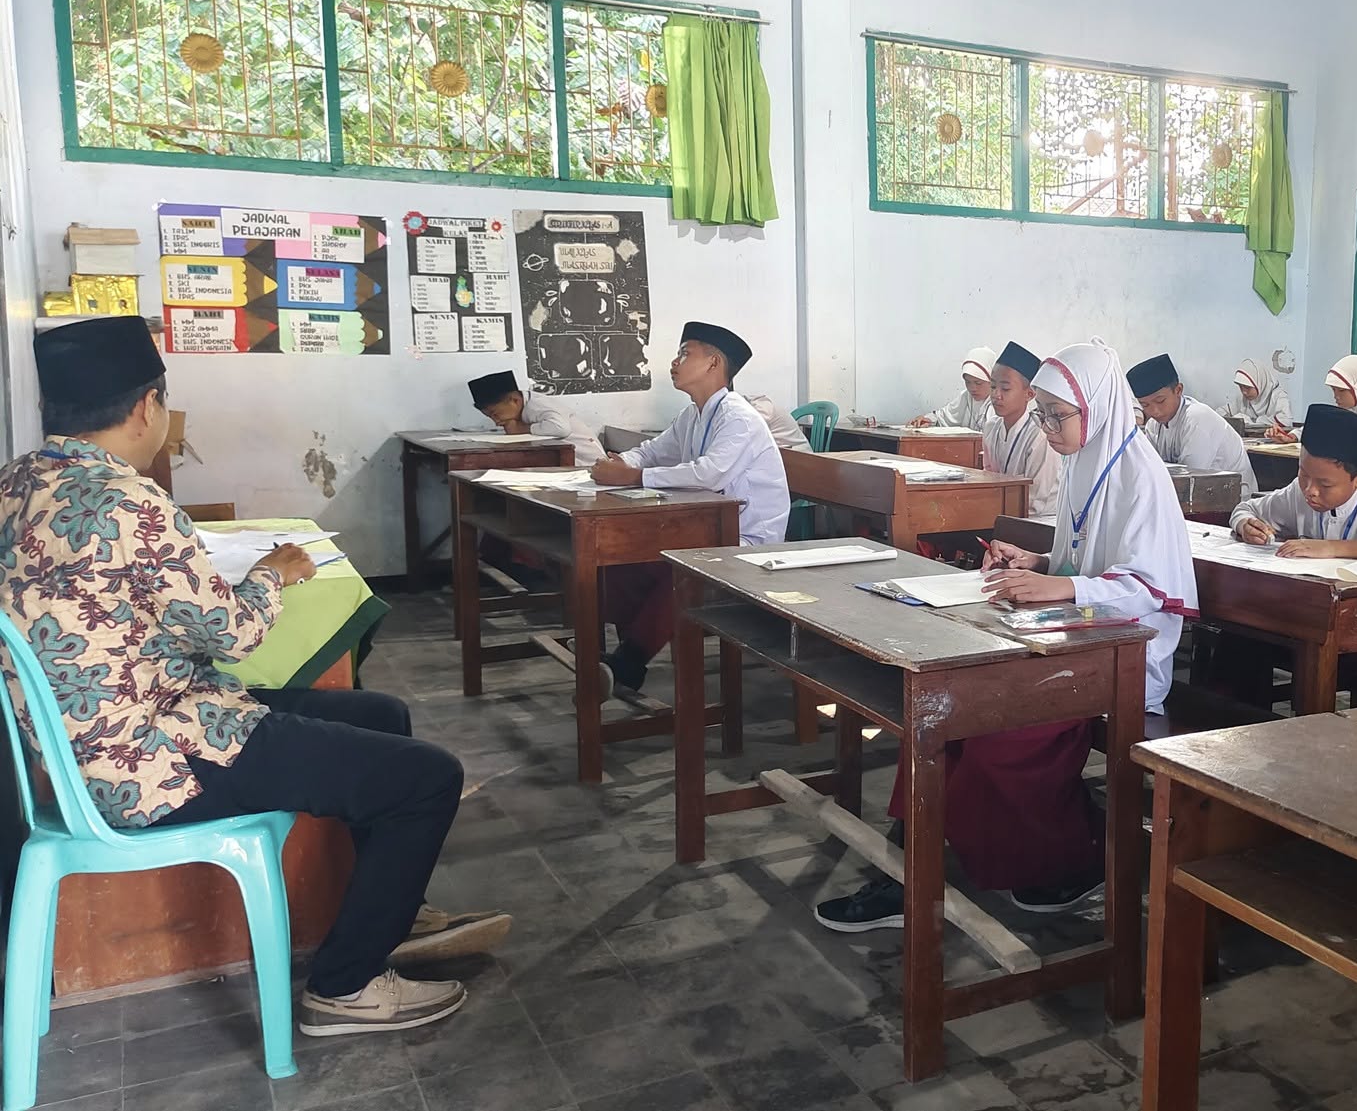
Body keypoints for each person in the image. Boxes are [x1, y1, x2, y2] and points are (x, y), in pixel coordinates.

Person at [0, 317, 507, 1037]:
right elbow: (232, 635)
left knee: (381, 714)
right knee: (428, 777)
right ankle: (346, 986)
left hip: (88, 746)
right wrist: (273, 572)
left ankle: (393, 911)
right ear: (146, 407)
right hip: (154, 760)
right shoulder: (129, 502)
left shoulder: (18, 482)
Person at [812, 340, 1197, 930]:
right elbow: (1081, 561)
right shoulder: (1086, 460)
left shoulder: (1141, 475)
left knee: (991, 729)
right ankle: (909, 873)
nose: (1048, 428)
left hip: (1123, 656)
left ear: (1096, 406)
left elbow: (1152, 589)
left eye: (1057, 415)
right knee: (938, 713)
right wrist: (1036, 564)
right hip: (1072, 637)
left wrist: (1059, 587)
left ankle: (1074, 854)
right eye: (1043, 414)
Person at [591, 322, 791, 692]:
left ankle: (630, 660)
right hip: (705, 530)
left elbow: (709, 474)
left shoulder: (739, 417)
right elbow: (653, 451)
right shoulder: (693, 415)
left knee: (680, 571)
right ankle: (627, 653)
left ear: (714, 363)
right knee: (622, 559)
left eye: (685, 354)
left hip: (745, 540)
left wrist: (634, 477)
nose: (674, 362)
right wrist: (620, 463)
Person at [1231, 404, 1357, 563]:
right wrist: (1245, 525)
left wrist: (1332, 547)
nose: (1310, 491)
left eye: (1325, 485)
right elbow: (1245, 509)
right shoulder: (1297, 493)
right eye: (1303, 474)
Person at [1127, 353, 1256, 502]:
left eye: (1160, 401)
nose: (1154, 411)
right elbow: (1150, 469)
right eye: (1145, 405)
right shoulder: (1153, 425)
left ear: (1178, 390)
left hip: (1234, 503)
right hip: (1195, 498)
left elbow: (1189, 480)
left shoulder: (1197, 417)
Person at [1271, 355, 1357, 455]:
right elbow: (1318, 428)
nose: (1336, 396)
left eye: (1341, 390)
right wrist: (1291, 437)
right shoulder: (1347, 411)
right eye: (1333, 390)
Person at [982, 342, 1061, 518]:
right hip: (1002, 513)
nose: (996, 395)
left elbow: (1036, 501)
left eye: (1005, 388)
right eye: (993, 386)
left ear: (1029, 394)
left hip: (1039, 521)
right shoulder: (991, 428)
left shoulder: (1041, 436)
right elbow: (988, 479)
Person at [467, 371, 603, 465]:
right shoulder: (523, 406)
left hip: (589, 463)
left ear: (514, 400)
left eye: (495, 414)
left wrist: (521, 429)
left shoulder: (537, 404)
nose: (496, 422)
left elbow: (561, 429)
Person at [910, 347, 998, 429]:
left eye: (978, 383)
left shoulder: (999, 402)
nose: (972, 388)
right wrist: (927, 420)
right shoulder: (966, 397)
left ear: (991, 381)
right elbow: (943, 417)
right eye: (967, 382)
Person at [1224, 357, 1292, 433]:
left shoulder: (1279, 397)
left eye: (1247, 387)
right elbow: (1223, 411)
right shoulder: (1243, 398)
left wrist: (1253, 422)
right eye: (1241, 386)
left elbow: (1285, 422)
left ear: (1260, 383)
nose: (1244, 392)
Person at [744, 393, 810, 450]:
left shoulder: (761, 408)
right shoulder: (749, 406)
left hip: (799, 454)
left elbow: (747, 441)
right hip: (781, 452)